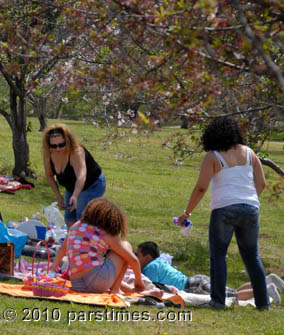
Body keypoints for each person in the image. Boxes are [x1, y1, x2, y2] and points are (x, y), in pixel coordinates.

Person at [176, 117, 270, 309]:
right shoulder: (250, 153)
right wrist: (247, 200)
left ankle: (218, 301)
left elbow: (201, 188)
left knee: (218, 255)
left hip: (224, 209)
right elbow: (261, 184)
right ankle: (263, 304)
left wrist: (187, 213)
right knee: (252, 257)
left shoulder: (213, 157)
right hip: (251, 208)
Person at [50, 197, 162, 298]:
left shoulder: (75, 227)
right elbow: (133, 260)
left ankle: (134, 292)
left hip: (77, 284)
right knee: (125, 246)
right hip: (97, 281)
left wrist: (53, 266)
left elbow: (62, 249)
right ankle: (116, 290)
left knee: (102, 272)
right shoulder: (105, 233)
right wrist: (138, 281)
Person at [136, 241, 282, 305]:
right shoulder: (161, 261)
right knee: (232, 291)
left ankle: (264, 290)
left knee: (231, 296)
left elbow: (153, 288)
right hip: (196, 280)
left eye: (138, 256)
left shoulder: (150, 269)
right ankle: (267, 280)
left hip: (192, 286)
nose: (135, 259)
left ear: (147, 257)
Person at [42, 124, 106, 226]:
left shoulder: (76, 152)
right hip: (71, 186)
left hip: (91, 185)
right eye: (53, 146)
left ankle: (88, 240)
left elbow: (81, 175)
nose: (58, 148)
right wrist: (59, 197)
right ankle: (72, 241)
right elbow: (49, 175)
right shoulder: (48, 154)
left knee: (82, 221)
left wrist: (75, 195)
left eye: (61, 144)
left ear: (67, 141)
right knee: (69, 220)